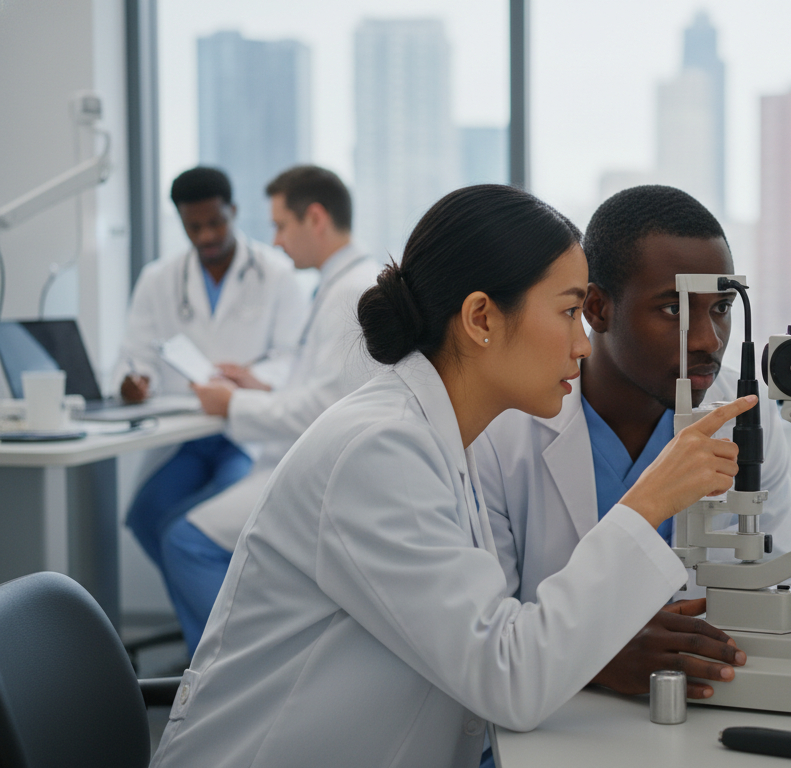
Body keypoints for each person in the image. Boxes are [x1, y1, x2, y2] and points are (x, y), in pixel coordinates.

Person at [148, 184, 755, 768]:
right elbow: (510, 678)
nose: (583, 345)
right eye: (570, 311)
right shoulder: (379, 451)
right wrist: (645, 504)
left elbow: (491, 639)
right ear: (482, 318)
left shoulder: (436, 437)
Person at [477, 185, 791, 700]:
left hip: (704, 708)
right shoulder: (506, 429)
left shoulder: (744, 415)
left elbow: (783, 563)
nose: (708, 340)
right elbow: (488, 634)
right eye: (674, 311)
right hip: (558, 717)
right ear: (597, 308)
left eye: (721, 308)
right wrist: (598, 658)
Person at [159, 165, 380, 653]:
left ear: (316, 218)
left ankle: (223, 672)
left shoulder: (347, 290)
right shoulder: (344, 281)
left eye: (281, 226)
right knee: (169, 518)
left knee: (183, 541)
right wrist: (256, 385)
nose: (276, 242)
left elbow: (322, 407)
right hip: (311, 457)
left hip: (314, 472)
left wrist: (234, 402)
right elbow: (323, 387)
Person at [116, 167, 308, 637]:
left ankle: (222, 644)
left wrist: (246, 381)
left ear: (233, 212)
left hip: (248, 436)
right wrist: (133, 381)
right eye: (193, 226)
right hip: (190, 437)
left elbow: (294, 359)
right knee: (145, 517)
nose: (205, 235)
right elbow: (135, 357)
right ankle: (205, 624)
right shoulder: (159, 279)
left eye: (214, 223)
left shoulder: (277, 273)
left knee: (184, 533)